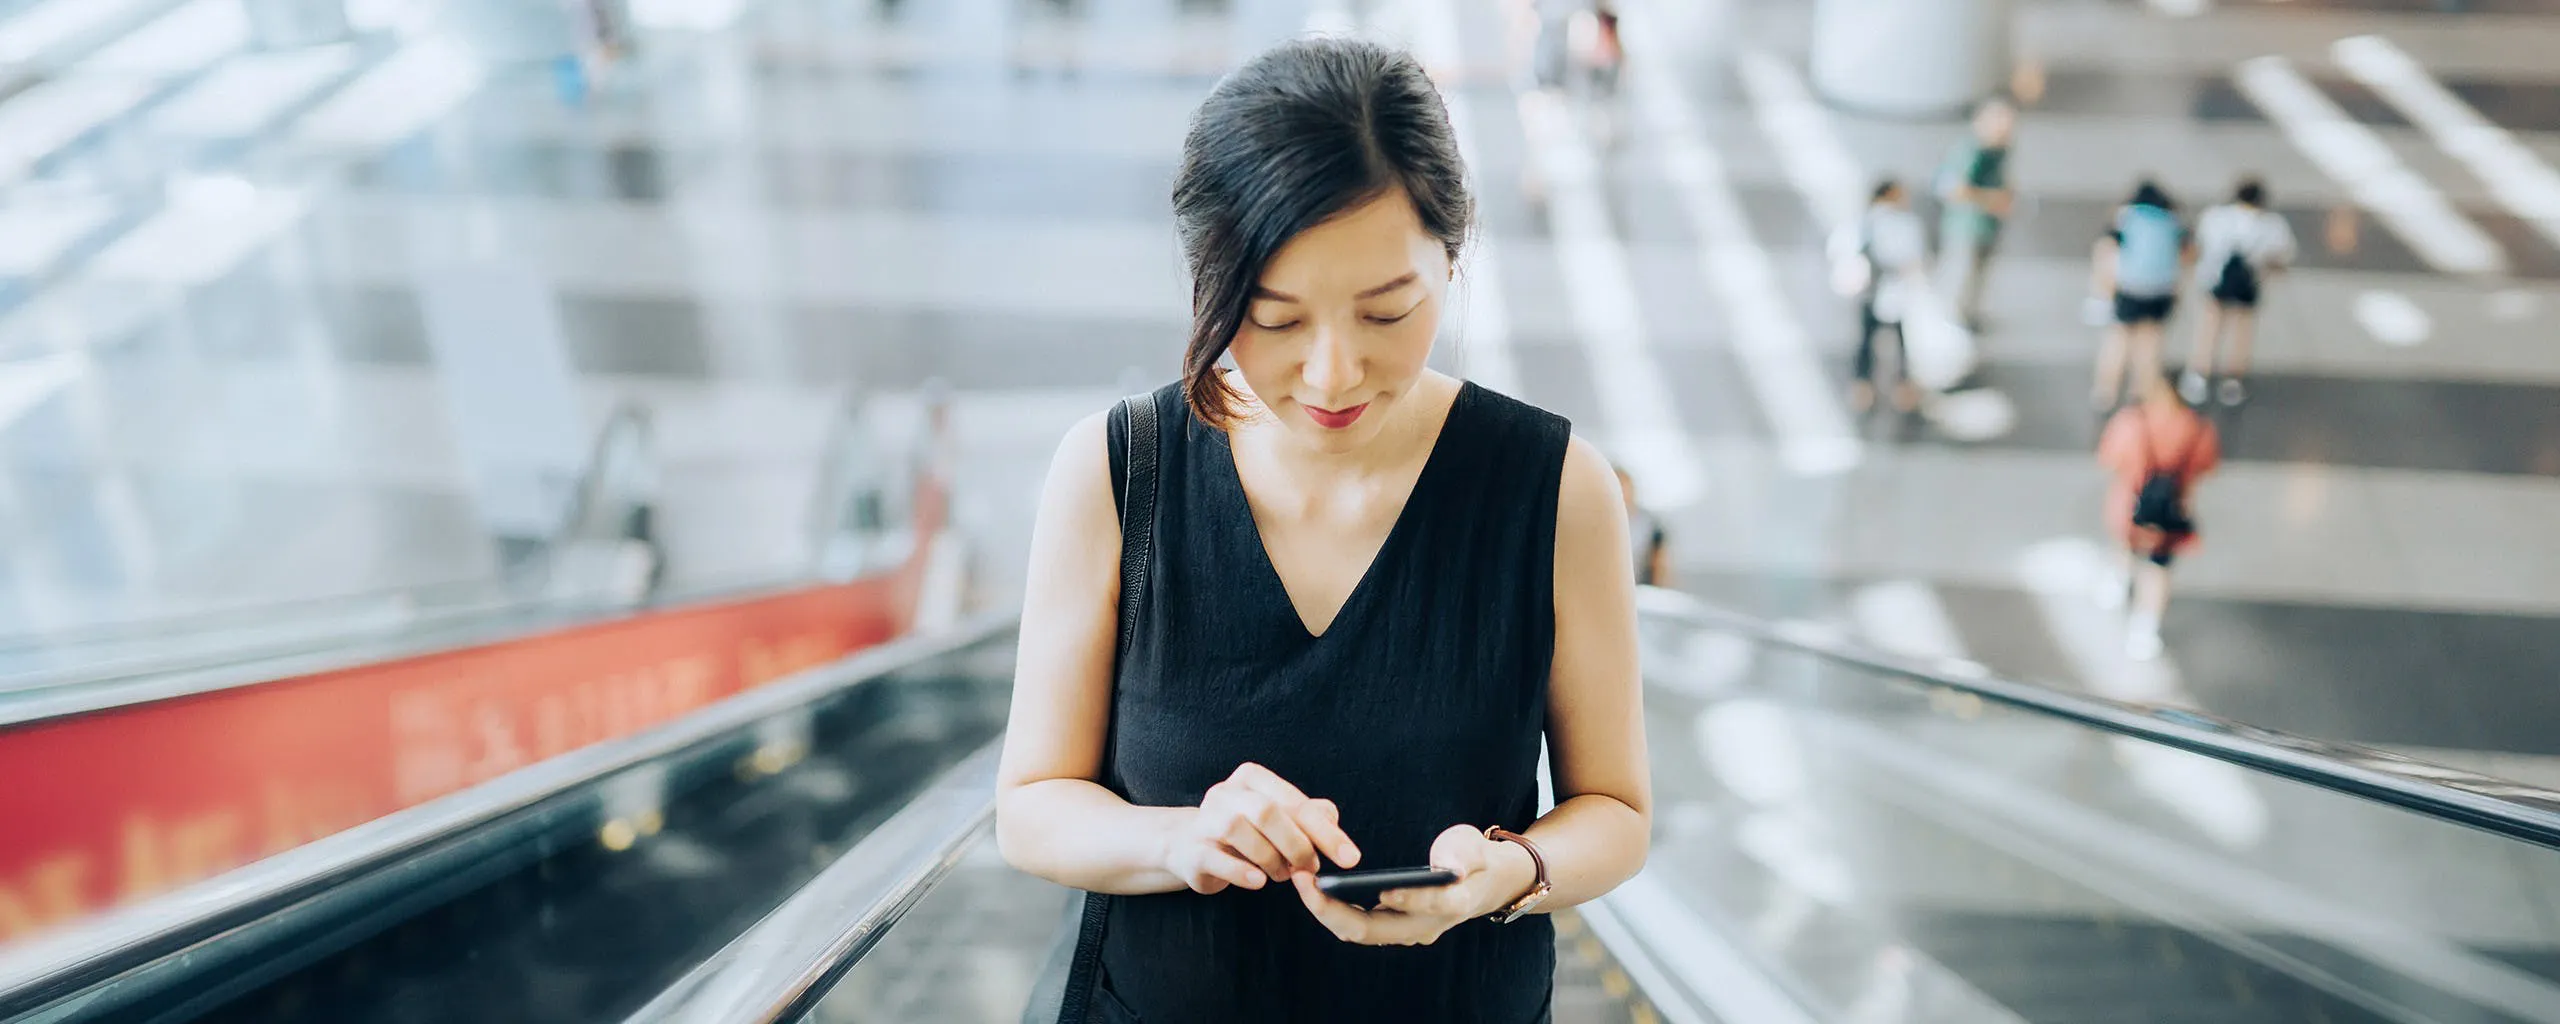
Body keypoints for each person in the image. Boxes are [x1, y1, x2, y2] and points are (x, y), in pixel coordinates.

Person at [997, 38, 1652, 1023]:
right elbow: (1033, 804)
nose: (1333, 373)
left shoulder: (1557, 490)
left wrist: (1513, 869)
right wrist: (1180, 840)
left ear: (1451, 258)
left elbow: (1617, 811)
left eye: (1388, 312)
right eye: (1274, 318)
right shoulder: (1116, 472)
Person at [2096, 371, 2222, 660]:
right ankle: (2145, 628)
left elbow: (2108, 460)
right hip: (2173, 509)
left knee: (2124, 544)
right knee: (2159, 568)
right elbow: (2206, 468)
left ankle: (2118, 582)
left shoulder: (2130, 422)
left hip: (2128, 505)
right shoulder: (2198, 428)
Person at [2181, 177, 2296, 406]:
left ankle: (2198, 376)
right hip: (2248, 286)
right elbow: (2282, 258)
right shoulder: (2272, 224)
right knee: (2241, 335)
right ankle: (2232, 382)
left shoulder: (2215, 217)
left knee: (2209, 329)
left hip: (2214, 282)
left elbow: (2198, 248)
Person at [2090, 180, 2192, 410]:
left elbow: (2107, 249)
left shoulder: (2126, 216)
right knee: (2151, 342)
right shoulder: (2173, 220)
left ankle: (2106, 392)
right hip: (2161, 291)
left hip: (2130, 288)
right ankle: (2141, 393)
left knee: (2119, 339)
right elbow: (2186, 255)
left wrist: (2103, 289)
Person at [1834, 178, 1930, 413]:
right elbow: (1913, 256)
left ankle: (1866, 385)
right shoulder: (1901, 223)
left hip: (1874, 290)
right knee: (1896, 340)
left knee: (1869, 340)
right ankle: (1899, 386)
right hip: (1888, 290)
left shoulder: (1865, 222)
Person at [1935, 97, 2016, 326]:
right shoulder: (1969, 151)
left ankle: (1965, 317)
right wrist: (1993, 199)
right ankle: (1949, 324)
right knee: (1960, 276)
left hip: (1986, 226)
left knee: (1976, 278)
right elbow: (1954, 189)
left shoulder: (1998, 152)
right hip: (1966, 227)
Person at [1616, 465, 1670, 587]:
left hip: (1642, 589)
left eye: (1624, 487)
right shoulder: (1602, 523)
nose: (1622, 493)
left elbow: (1660, 565)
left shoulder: (1651, 525)